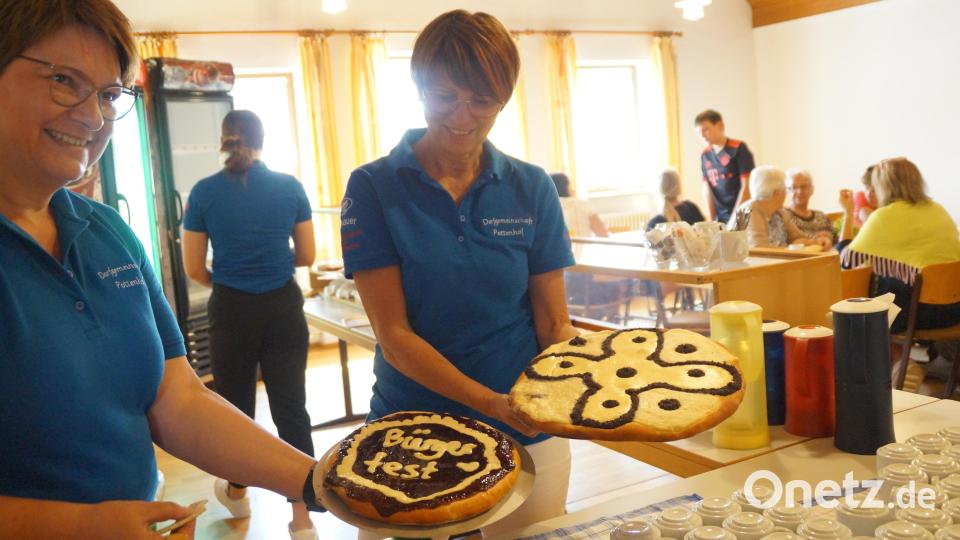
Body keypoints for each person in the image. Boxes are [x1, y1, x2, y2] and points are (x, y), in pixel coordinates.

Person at [0, 2, 322, 538]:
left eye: (107, 95)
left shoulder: (108, 231)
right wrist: (81, 526)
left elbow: (176, 399)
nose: (92, 115)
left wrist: (316, 482)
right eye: (63, 80)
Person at [339, 10, 579, 536]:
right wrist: (489, 403)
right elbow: (395, 337)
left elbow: (553, 323)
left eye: (482, 99)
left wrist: (586, 384)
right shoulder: (375, 188)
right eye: (445, 96)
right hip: (412, 434)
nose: (463, 116)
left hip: (527, 424)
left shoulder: (530, 186)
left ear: (504, 97)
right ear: (418, 87)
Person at [181, 110, 318, 538]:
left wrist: (231, 279)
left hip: (231, 311)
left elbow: (193, 268)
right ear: (262, 140)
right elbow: (308, 256)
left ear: (223, 140)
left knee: (235, 411)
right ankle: (302, 517)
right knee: (292, 409)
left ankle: (237, 494)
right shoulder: (289, 187)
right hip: (282, 308)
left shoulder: (203, 193)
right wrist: (270, 268)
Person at [838, 157, 960, 332]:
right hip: (954, 310)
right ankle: (896, 356)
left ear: (883, 186)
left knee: (879, 288)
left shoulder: (885, 216)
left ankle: (878, 355)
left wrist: (848, 213)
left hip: (918, 314)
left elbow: (846, 262)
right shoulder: (938, 210)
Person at [732, 166, 831, 250]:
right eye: (785, 189)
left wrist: (817, 241)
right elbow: (760, 249)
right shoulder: (746, 211)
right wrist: (791, 249)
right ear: (776, 193)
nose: (786, 193)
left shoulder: (780, 212)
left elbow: (796, 237)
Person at [696, 109, 755, 224]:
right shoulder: (705, 155)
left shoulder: (738, 148)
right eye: (699, 133)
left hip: (742, 215)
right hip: (720, 218)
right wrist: (711, 219)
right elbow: (707, 188)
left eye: (706, 130)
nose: (702, 135)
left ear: (719, 126)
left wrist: (737, 219)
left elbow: (747, 186)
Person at [784, 168, 837, 243]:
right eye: (794, 187)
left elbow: (837, 241)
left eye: (803, 187)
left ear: (812, 189)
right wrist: (813, 241)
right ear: (787, 191)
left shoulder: (821, 216)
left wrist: (828, 237)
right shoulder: (783, 216)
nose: (799, 191)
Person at [551, 172, 609, 237]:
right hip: (585, 245)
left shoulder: (548, 208)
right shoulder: (582, 204)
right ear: (567, 187)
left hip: (561, 246)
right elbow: (602, 233)